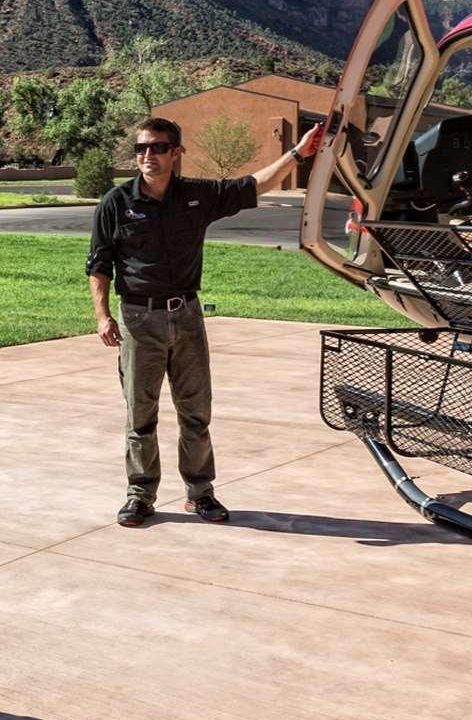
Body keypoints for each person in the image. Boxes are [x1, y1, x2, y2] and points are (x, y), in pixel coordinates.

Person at [87, 113, 328, 526]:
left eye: (159, 147)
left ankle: (200, 493)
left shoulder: (196, 197)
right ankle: (140, 494)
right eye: (142, 148)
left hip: (186, 318)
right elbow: (99, 264)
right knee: (139, 414)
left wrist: (295, 153)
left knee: (195, 411)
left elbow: (254, 185)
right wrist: (103, 316)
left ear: (177, 152)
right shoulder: (116, 203)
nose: (149, 155)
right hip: (137, 319)